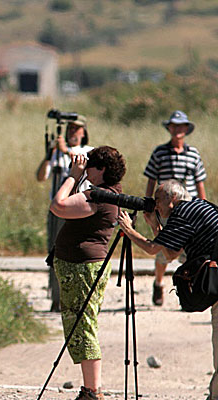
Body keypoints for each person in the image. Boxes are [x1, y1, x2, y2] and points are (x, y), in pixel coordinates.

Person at [117, 179, 218, 400]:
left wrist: (128, 230)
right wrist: (155, 225)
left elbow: (153, 249)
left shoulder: (182, 213)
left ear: (173, 199)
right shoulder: (197, 208)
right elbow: (170, 254)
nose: (155, 205)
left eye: (157, 200)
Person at [50, 145, 126, 400]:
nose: (85, 169)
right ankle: (91, 389)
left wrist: (73, 174)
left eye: (89, 165)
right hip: (81, 267)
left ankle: (93, 391)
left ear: (101, 169)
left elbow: (58, 205)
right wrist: (81, 176)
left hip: (83, 268)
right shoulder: (106, 193)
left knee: (84, 327)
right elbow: (70, 206)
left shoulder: (100, 195)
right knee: (82, 326)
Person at [143, 110, 207, 306]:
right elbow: (151, 179)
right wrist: (149, 203)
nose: (177, 130)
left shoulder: (193, 154)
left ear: (186, 129)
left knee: (189, 251)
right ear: (169, 128)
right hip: (165, 208)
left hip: (188, 210)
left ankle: (186, 289)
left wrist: (202, 207)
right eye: (174, 126)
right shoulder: (160, 152)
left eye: (181, 126)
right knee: (163, 249)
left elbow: (199, 183)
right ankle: (159, 282)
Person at [36, 115, 93, 312]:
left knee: (77, 252)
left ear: (83, 132)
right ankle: (56, 296)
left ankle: (77, 295)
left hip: (78, 208)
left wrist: (65, 150)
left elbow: (82, 164)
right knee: (55, 252)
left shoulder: (87, 150)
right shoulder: (57, 154)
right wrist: (49, 154)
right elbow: (41, 177)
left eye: (76, 129)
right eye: (69, 129)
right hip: (58, 209)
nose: (72, 133)